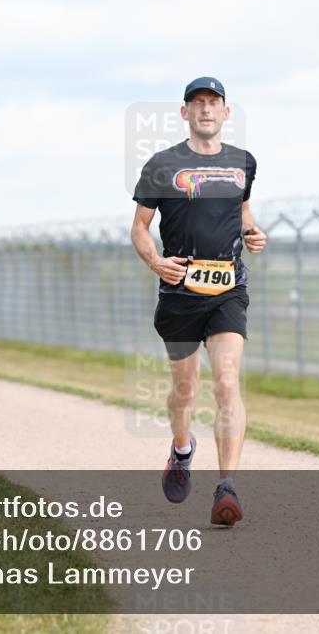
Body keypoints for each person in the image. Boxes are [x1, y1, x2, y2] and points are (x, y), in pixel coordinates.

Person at [130, 77, 267, 526]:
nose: (206, 110)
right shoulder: (162, 164)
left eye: (214, 103)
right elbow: (139, 228)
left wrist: (253, 234)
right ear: (185, 113)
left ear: (227, 113)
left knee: (227, 381)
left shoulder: (243, 162)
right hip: (180, 290)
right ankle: (182, 449)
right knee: (185, 390)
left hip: (228, 286)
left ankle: (227, 486)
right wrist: (157, 263)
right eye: (197, 103)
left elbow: (242, 212)